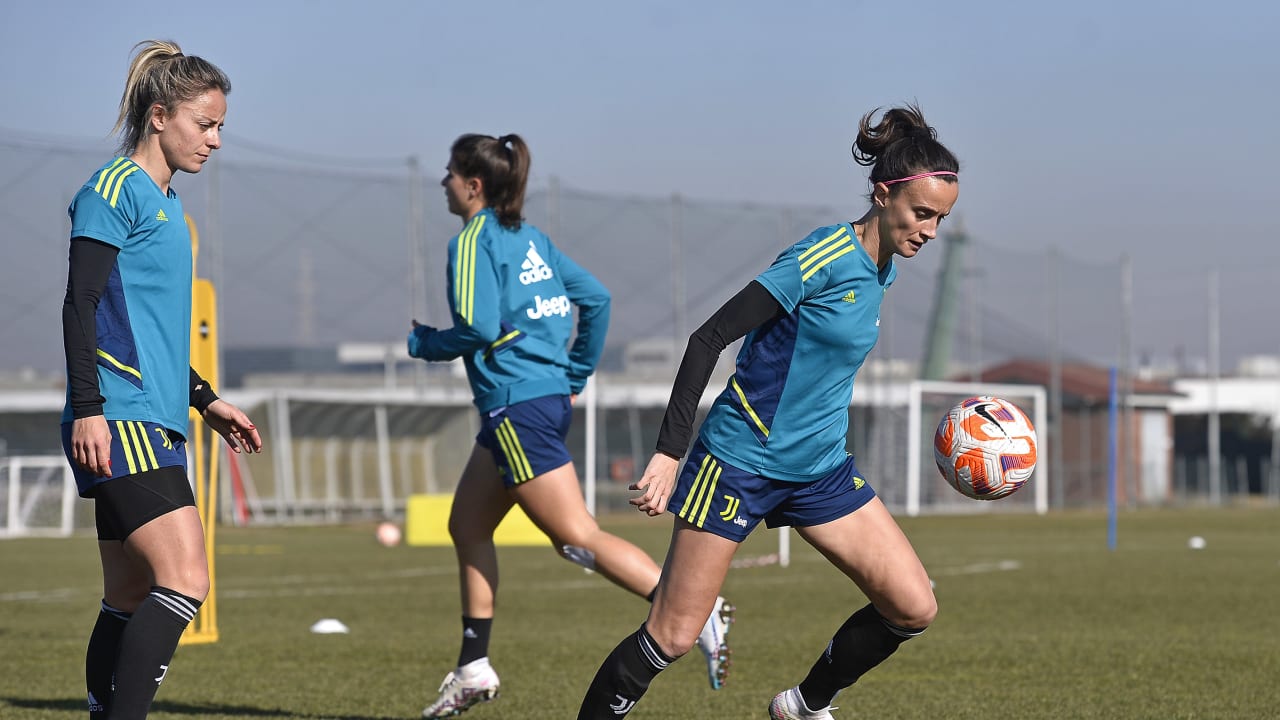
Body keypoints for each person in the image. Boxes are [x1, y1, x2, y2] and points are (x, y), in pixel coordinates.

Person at [576, 104, 960, 720]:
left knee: (913, 605)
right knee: (672, 635)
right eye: (923, 214)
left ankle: (805, 706)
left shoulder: (884, 265)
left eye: (941, 219)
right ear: (884, 195)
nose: (931, 232)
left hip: (819, 471)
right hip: (737, 464)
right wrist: (670, 453)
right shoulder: (822, 257)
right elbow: (707, 339)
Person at [408, 133, 735, 718]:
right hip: (540, 403)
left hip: (514, 406)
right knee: (467, 524)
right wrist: (576, 372)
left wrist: (427, 343)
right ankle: (473, 665)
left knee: (575, 537)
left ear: (473, 185)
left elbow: (480, 328)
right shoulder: (530, 239)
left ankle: (693, 608)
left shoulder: (472, 241)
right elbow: (598, 299)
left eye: (450, 174)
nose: (444, 184)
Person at [60, 40, 263, 720]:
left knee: (126, 594)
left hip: (155, 413)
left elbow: (151, 330)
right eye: (205, 124)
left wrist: (206, 402)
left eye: (221, 126)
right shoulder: (114, 190)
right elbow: (81, 303)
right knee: (185, 580)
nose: (216, 140)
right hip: (121, 417)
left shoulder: (171, 204)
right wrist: (89, 407)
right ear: (158, 116)